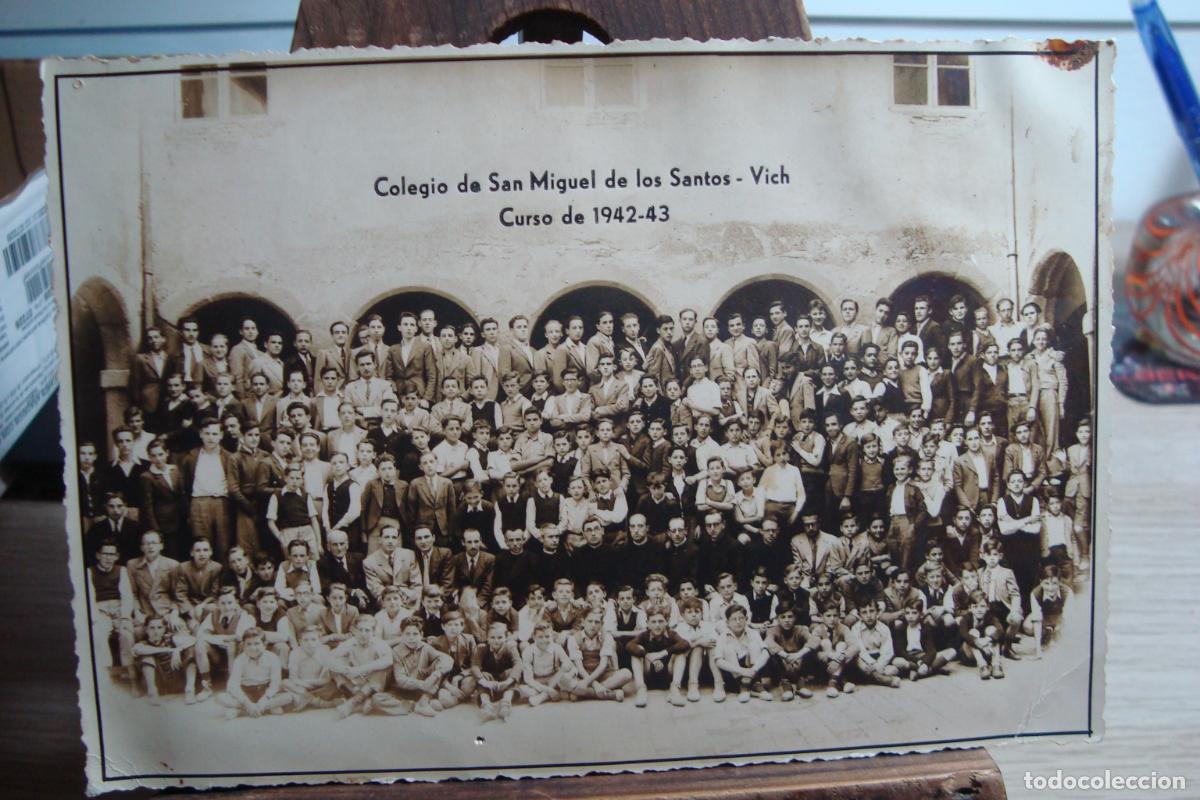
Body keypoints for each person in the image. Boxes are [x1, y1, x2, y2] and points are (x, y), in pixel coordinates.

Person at [384, 616, 452, 717]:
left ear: (421, 635)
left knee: (440, 662)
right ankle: (415, 705)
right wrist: (422, 684)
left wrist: (436, 674)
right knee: (377, 699)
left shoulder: (425, 647)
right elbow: (400, 680)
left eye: (415, 634)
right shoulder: (396, 652)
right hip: (404, 690)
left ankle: (424, 700)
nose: (411, 638)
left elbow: (448, 659)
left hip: (424, 689)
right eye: (407, 634)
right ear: (402, 635)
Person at [328, 615, 395, 718]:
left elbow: (389, 660)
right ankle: (363, 698)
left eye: (367, 630)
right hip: (356, 682)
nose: (363, 634)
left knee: (383, 668)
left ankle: (353, 703)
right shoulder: (350, 642)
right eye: (360, 630)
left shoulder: (379, 643)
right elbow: (330, 658)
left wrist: (360, 669)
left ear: (373, 632)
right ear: (354, 631)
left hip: (374, 683)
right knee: (334, 668)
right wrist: (345, 669)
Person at [215, 627, 288, 718]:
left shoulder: (273, 658)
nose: (252, 648)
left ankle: (244, 710)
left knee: (288, 697)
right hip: (246, 692)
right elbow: (232, 685)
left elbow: (275, 683)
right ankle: (262, 708)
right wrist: (246, 703)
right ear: (243, 645)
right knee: (220, 698)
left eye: (256, 644)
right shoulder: (239, 660)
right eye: (248, 644)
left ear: (265, 644)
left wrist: (264, 699)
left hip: (265, 691)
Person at [132, 615, 197, 705]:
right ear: (146, 629)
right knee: (146, 657)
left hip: (175, 680)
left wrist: (178, 649)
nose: (156, 631)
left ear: (164, 629)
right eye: (152, 628)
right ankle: (152, 693)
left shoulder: (171, 639)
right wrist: (168, 650)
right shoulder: (143, 643)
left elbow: (194, 639)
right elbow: (138, 650)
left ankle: (190, 691)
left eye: (159, 628)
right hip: (158, 682)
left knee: (190, 650)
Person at [472, 620, 523, 721]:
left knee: (511, 672)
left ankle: (505, 703)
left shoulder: (510, 648)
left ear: (506, 637)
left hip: (505, 681)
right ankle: (486, 705)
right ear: (487, 638)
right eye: (492, 637)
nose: (496, 641)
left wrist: (509, 681)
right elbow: (475, 666)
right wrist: (484, 682)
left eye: (500, 637)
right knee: (483, 675)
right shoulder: (482, 649)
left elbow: (518, 664)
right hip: (490, 681)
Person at [764, 601, 816, 700]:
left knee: (809, 650)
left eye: (790, 617)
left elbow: (814, 640)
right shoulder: (772, 630)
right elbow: (768, 642)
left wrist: (799, 654)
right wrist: (785, 655)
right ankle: (785, 684)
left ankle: (801, 683)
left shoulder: (800, 629)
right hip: (782, 665)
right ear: (777, 619)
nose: (787, 620)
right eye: (783, 617)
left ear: (795, 618)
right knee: (770, 652)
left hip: (798, 664)